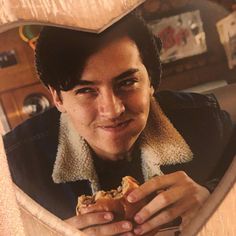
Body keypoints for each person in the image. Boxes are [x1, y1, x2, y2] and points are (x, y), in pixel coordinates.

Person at [4, 12, 233, 235]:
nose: (113, 110)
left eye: (127, 82)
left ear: (151, 81)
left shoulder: (206, 122)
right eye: (85, 90)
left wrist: (215, 200)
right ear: (57, 98)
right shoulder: (14, 168)